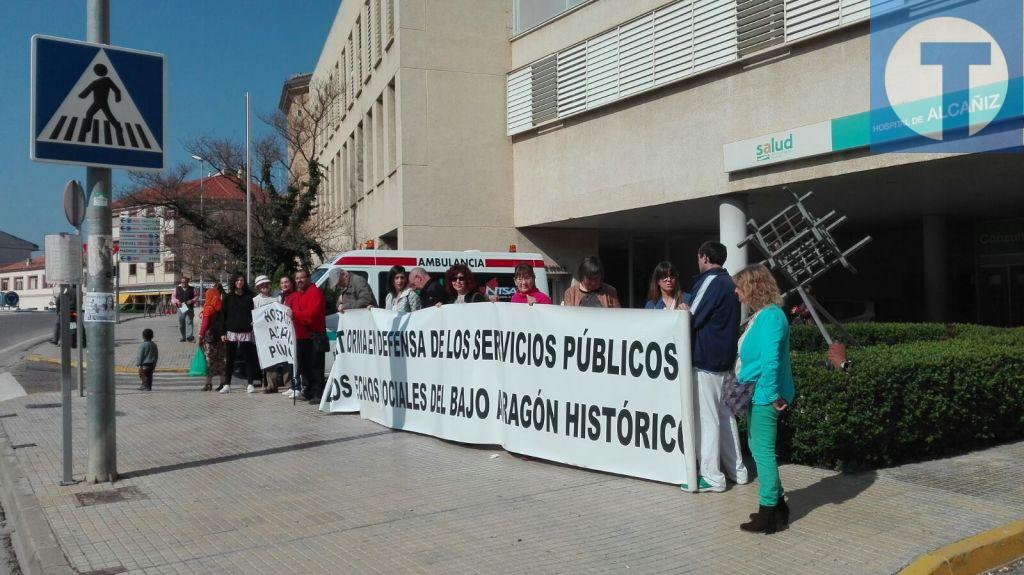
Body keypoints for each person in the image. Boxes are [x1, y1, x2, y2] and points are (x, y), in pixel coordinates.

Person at [680, 241, 748, 494]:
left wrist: (683, 309)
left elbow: (690, 316)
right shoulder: (730, 283)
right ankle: (737, 471)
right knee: (724, 416)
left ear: (705, 257)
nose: (697, 261)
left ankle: (711, 476)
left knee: (706, 418)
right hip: (724, 360)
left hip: (706, 361)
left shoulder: (711, 281)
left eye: (698, 257)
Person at [733, 264, 795, 534]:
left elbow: (771, 361)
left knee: (763, 453)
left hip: (764, 394)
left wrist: (771, 396)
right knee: (757, 447)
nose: (736, 292)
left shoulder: (771, 317)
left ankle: (768, 512)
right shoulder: (763, 315)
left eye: (739, 287)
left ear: (753, 288)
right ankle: (778, 505)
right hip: (757, 391)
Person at [290, 269, 327, 404]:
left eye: (302, 277)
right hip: (301, 336)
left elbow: (312, 314)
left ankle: (318, 393)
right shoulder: (297, 295)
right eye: (297, 278)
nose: (299, 280)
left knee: (316, 366)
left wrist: (295, 314)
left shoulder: (315, 292)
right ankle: (309, 390)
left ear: (308, 278)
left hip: (314, 335)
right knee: (304, 366)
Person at [219, 274, 258, 394]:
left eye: (242, 280)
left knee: (249, 358)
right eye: (237, 280)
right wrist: (222, 332)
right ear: (234, 282)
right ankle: (227, 384)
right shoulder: (228, 297)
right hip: (231, 332)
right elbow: (223, 315)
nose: (239, 282)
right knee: (230, 359)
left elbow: (256, 313)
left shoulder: (251, 296)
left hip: (246, 331)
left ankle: (250, 383)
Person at [252, 275, 278, 393]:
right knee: (268, 359)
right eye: (261, 285)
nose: (264, 286)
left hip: (277, 333)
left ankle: (284, 383)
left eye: (266, 284)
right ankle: (270, 384)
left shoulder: (277, 297)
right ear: (258, 287)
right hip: (263, 335)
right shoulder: (255, 300)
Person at [198, 282, 225, 392]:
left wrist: (200, 336)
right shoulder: (222, 306)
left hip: (210, 337)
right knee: (221, 360)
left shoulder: (208, 307)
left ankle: (208, 383)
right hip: (221, 337)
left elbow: (204, 325)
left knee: (210, 361)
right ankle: (223, 382)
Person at [277, 276, 300, 399]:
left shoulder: (295, 295)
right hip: (286, 334)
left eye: (286, 282)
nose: (284, 284)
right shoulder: (282, 297)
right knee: (289, 360)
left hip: (294, 332)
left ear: (291, 283)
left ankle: (298, 386)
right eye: (282, 283)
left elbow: (294, 312)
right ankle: (293, 385)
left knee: (295, 360)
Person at [170, 276, 198, 342]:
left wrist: (192, 300)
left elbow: (197, 296)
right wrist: (177, 302)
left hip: (189, 307)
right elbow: (173, 298)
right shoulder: (177, 289)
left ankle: (189, 337)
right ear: (181, 282)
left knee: (189, 322)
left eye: (185, 282)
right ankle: (183, 337)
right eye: (182, 282)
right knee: (181, 324)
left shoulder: (192, 289)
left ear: (188, 282)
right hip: (181, 307)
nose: (184, 283)